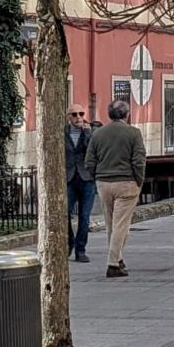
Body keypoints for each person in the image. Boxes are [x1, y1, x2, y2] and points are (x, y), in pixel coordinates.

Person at [86, 99, 145, 279]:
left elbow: (89, 161)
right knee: (121, 224)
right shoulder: (133, 133)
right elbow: (139, 160)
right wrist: (139, 180)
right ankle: (113, 263)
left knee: (112, 223)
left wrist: (97, 176)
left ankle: (118, 258)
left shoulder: (98, 134)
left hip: (104, 182)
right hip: (126, 181)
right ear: (126, 115)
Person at [64, 105, 97, 264]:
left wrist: (87, 132)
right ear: (68, 117)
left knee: (84, 217)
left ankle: (80, 250)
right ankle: (69, 241)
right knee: (65, 214)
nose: (78, 117)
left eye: (81, 114)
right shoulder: (62, 133)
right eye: (75, 114)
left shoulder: (89, 131)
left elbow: (93, 150)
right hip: (69, 178)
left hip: (86, 178)